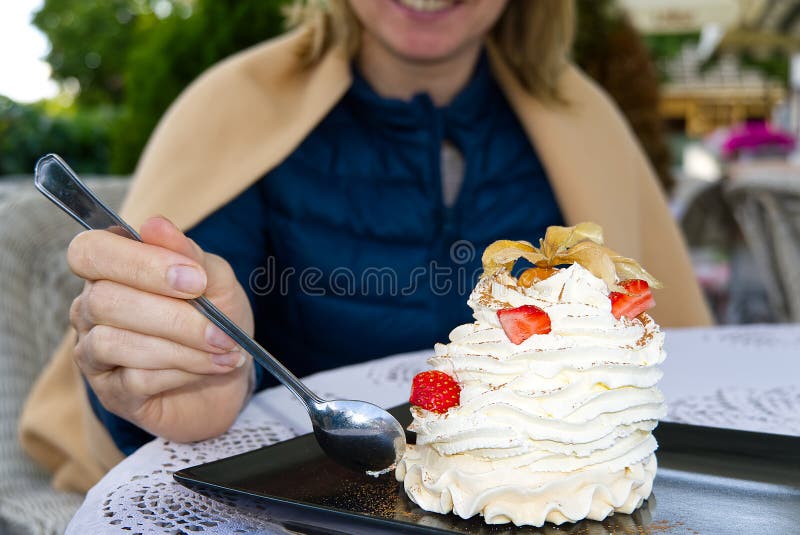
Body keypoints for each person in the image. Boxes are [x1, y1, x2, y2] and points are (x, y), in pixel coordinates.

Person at [20, 0, 713, 493]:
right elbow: (178, 344)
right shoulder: (233, 108)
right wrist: (188, 365)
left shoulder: (585, 121)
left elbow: (661, 380)